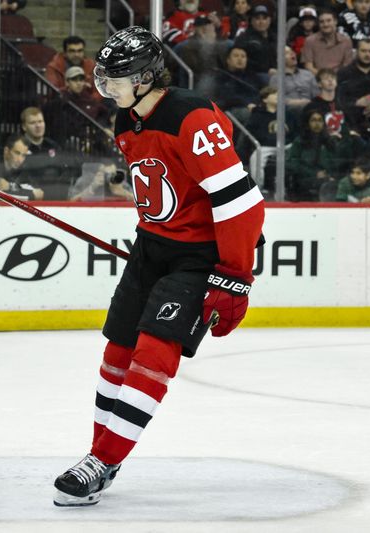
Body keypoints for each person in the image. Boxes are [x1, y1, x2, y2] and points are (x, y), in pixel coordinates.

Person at [53, 26, 264, 507]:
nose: (106, 88)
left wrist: (234, 276)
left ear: (147, 77)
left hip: (199, 257)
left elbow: (242, 203)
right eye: (103, 79)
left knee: (154, 353)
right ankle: (98, 454)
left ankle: (102, 461)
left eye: (116, 78)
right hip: (153, 247)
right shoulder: (126, 122)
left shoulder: (192, 117)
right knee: (117, 352)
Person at [19, 106, 69, 200]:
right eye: (33, 123)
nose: (38, 126)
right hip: (30, 199)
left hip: (54, 198)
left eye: (40, 121)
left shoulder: (53, 146)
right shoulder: (19, 147)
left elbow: (63, 172)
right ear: (24, 127)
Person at [301, 8, 354, 76]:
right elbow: (308, 66)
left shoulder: (346, 41)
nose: (325, 24)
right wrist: (324, 78)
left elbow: (347, 66)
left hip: (340, 79)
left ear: (335, 21)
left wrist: (333, 79)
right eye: (322, 22)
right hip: (317, 79)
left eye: (329, 21)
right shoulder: (309, 41)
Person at [45, 36, 100, 100]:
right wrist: (73, 88)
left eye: (80, 51)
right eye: (72, 51)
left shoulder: (91, 65)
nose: (76, 54)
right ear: (65, 53)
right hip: (64, 103)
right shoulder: (54, 67)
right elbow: (53, 91)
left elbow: (98, 91)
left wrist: (89, 101)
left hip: (88, 103)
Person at [270, 46, 319, 114]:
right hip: (289, 112)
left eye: (291, 51)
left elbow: (316, 95)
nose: (292, 53)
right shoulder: (275, 79)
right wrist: (294, 103)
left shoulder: (308, 74)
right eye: (286, 53)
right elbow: (275, 99)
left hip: (310, 111)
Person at [233, 4, 277, 80]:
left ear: (269, 20)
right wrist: (266, 70)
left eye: (264, 18)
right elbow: (240, 60)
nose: (261, 22)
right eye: (257, 18)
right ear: (252, 21)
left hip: (278, 73)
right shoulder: (244, 38)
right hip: (254, 75)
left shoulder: (275, 37)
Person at [0, 133, 42, 200]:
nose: (20, 160)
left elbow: (39, 194)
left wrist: (10, 187)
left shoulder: (24, 169)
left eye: (23, 155)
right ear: (6, 151)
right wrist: (26, 192)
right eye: (17, 153)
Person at [68, 161, 134, 202]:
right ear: (96, 173)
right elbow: (71, 202)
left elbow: (138, 202)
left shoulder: (120, 183)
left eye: (113, 174)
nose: (110, 177)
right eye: (105, 173)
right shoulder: (85, 181)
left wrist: (123, 192)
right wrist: (92, 187)